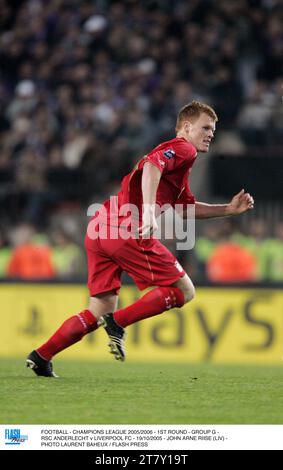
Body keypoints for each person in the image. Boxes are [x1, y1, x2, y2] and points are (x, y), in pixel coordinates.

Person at [26, 101, 254, 377]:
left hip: (101, 227)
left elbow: (184, 209)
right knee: (184, 291)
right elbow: (151, 167)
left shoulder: (180, 166)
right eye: (205, 128)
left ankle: (41, 356)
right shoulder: (183, 148)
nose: (210, 134)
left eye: (213, 131)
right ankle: (118, 323)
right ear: (186, 127)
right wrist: (147, 214)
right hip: (127, 228)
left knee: (98, 309)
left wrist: (227, 210)